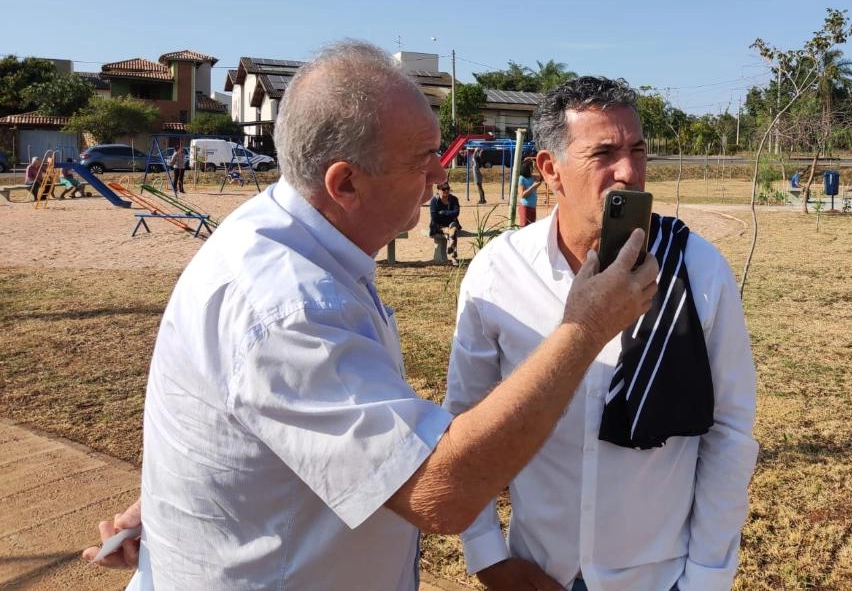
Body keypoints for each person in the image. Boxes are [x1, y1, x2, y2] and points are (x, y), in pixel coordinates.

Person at [82, 42, 658, 591]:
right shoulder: (289, 305)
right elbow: (441, 492)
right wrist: (583, 330)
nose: (440, 177)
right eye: (422, 160)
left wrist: (180, 492)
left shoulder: (292, 242)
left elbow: (240, 419)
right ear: (346, 182)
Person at [445, 76, 758, 591]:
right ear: (551, 170)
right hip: (538, 569)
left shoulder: (696, 268)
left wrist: (705, 577)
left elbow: (728, 432)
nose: (630, 172)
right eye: (604, 153)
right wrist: (488, 557)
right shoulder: (498, 273)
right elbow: (464, 421)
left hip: (660, 576)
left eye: (637, 150)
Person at [429, 181, 463, 264]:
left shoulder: (454, 199)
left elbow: (456, 213)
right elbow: (435, 217)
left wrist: (444, 212)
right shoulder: (434, 201)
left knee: (453, 227)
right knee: (453, 231)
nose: (446, 191)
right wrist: (449, 215)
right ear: (438, 190)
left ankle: (451, 248)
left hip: (451, 223)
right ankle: (453, 256)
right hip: (438, 225)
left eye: (448, 188)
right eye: (444, 189)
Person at [517, 158, 540, 226]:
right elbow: (522, 195)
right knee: (524, 227)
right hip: (525, 206)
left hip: (533, 206)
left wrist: (535, 165)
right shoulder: (522, 178)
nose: (532, 169)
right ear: (526, 168)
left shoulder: (532, 177)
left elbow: (541, 176)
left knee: (532, 228)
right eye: (531, 167)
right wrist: (533, 186)